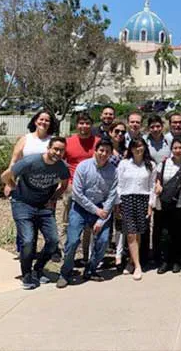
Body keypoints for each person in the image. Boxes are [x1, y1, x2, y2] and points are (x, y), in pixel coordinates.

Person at [0, 137, 69, 289]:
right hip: (22, 204)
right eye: (55, 149)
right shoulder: (30, 161)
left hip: (44, 207)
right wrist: (13, 187)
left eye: (61, 150)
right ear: (48, 148)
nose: (58, 153)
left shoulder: (61, 167)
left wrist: (53, 197)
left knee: (52, 241)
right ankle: (26, 274)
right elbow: (5, 176)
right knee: (28, 241)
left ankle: (38, 269)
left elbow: (64, 185)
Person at [57, 139, 118, 288]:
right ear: (95, 151)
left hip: (101, 209)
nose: (104, 154)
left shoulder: (113, 171)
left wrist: (101, 218)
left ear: (110, 154)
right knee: (72, 241)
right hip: (80, 209)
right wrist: (96, 210)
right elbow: (77, 194)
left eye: (107, 152)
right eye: (101, 150)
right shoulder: (83, 167)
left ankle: (91, 270)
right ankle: (65, 273)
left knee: (103, 241)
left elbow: (111, 196)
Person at [5, 110, 59, 255]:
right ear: (35, 121)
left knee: (45, 223)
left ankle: (48, 252)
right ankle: (26, 252)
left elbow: (58, 164)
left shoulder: (52, 141)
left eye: (47, 120)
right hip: (25, 187)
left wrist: (57, 191)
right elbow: (14, 162)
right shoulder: (25, 139)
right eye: (41, 119)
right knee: (26, 221)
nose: (44, 122)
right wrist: (9, 182)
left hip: (46, 188)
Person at [116, 135, 156, 281]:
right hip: (126, 199)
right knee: (130, 233)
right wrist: (118, 203)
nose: (138, 149)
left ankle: (131, 261)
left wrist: (151, 204)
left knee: (138, 233)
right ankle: (138, 266)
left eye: (140, 146)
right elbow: (119, 185)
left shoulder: (150, 165)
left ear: (144, 147)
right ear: (130, 149)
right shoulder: (124, 164)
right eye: (134, 146)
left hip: (143, 199)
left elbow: (152, 186)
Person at [63, 112, 99, 262]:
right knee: (69, 223)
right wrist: (63, 185)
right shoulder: (68, 142)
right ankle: (68, 256)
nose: (84, 126)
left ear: (91, 125)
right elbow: (61, 164)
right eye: (81, 123)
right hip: (72, 187)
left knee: (88, 227)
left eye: (87, 123)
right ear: (76, 125)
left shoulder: (97, 142)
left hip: (92, 189)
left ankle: (86, 256)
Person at [154, 137, 181, 274]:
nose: (178, 150)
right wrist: (157, 185)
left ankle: (177, 261)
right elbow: (158, 178)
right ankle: (164, 261)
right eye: (175, 148)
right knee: (165, 233)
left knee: (180, 233)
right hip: (166, 203)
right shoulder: (164, 163)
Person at [108, 122, 129, 267]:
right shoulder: (104, 149)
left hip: (122, 192)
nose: (119, 134)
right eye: (117, 131)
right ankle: (97, 255)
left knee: (120, 225)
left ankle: (119, 255)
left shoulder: (126, 152)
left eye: (122, 132)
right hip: (105, 191)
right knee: (103, 225)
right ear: (110, 132)